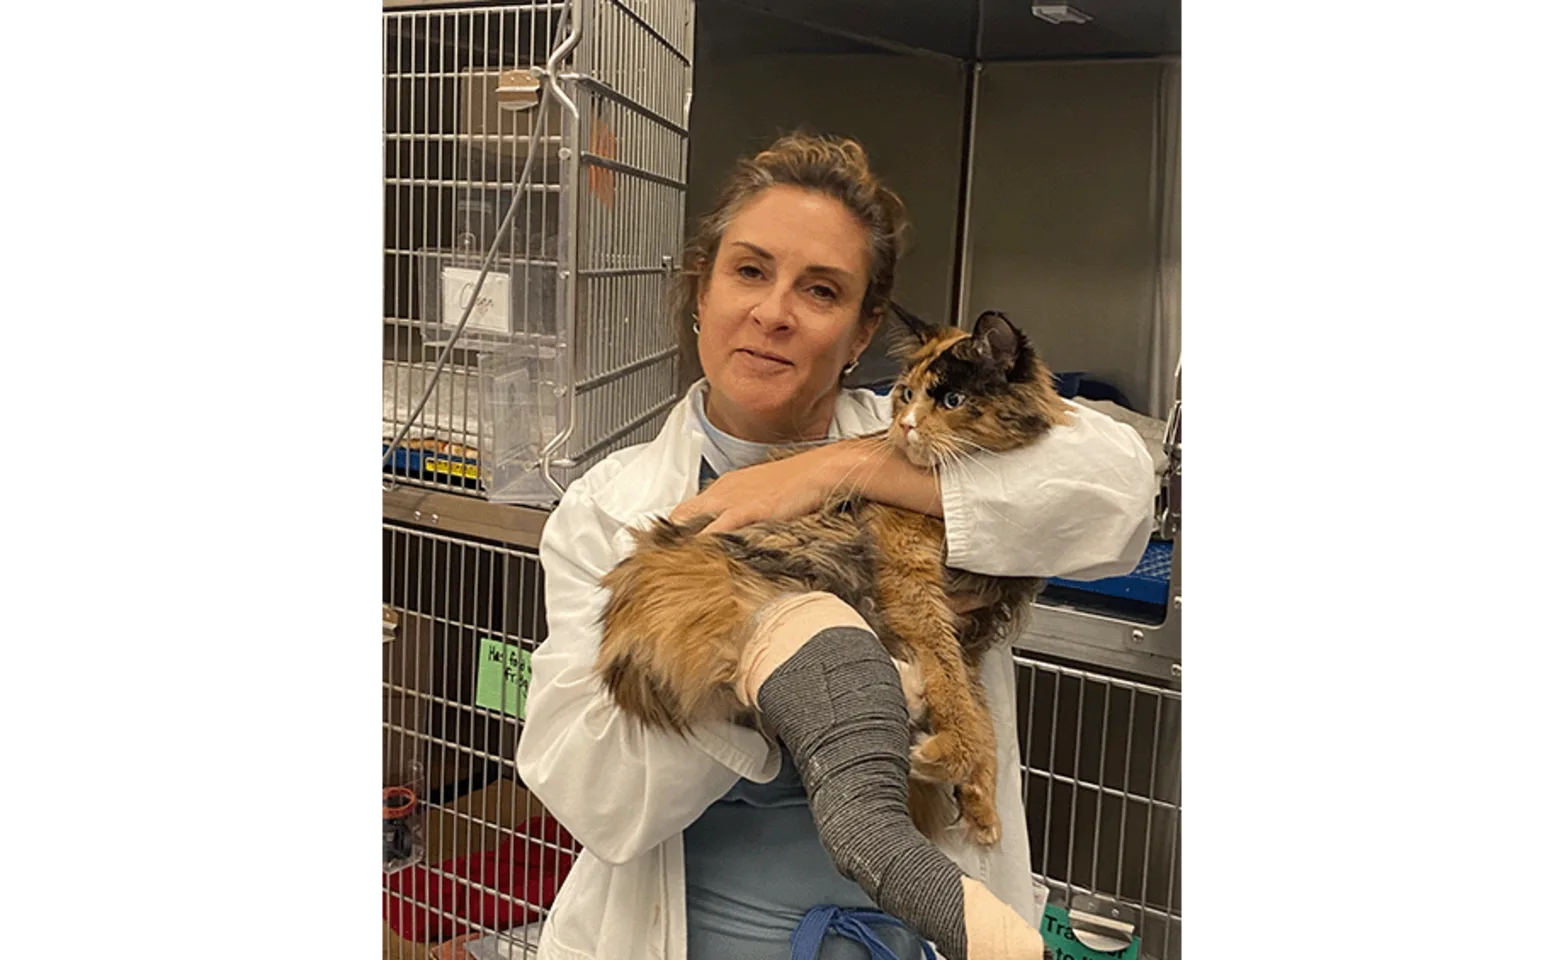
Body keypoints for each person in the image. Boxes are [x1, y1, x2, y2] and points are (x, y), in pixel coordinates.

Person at [514, 132, 1157, 960]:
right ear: (700, 295)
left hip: (908, 930)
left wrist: (841, 468)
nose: (774, 312)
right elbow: (590, 791)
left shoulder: (916, 439)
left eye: (820, 291)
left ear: (862, 334)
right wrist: (783, 667)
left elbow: (1118, 488)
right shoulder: (608, 508)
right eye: (749, 271)